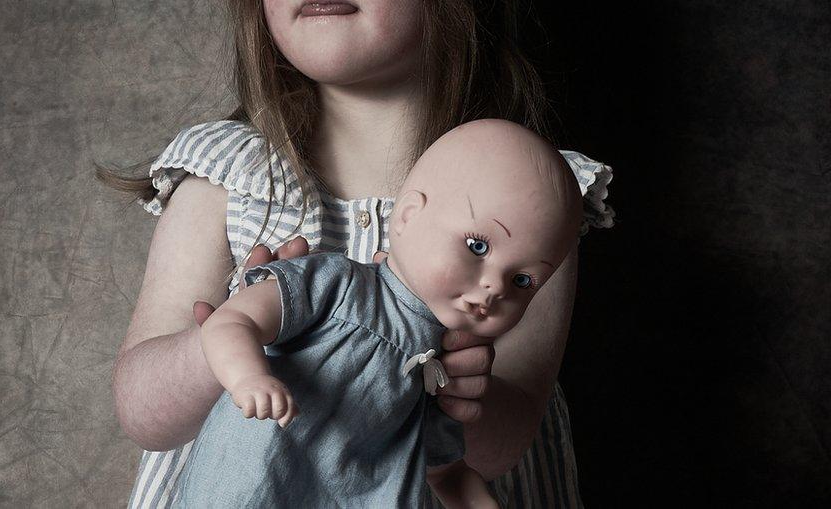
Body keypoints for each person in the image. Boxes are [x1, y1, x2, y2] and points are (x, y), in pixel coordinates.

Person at [100, 0, 615, 508]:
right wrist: (230, 340)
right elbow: (142, 412)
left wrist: (469, 391)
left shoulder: (533, 201)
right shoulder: (226, 176)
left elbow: (509, 438)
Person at [179, 120, 585, 508]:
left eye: (522, 281)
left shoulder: (435, 374)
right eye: (478, 246)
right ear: (408, 216)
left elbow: (446, 472)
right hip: (253, 485)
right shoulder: (336, 283)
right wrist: (247, 377)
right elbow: (232, 322)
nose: (496, 286)